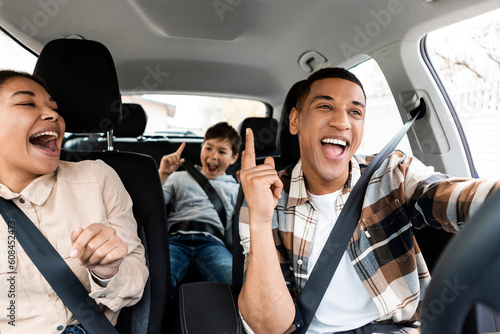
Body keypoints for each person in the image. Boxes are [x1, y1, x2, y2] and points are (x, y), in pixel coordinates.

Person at [238, 67, 500, 334]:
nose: (342, 122)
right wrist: (260, 219)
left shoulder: (391, 174)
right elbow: (271, 327)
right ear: (295, 120)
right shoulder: (267, 197)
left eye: (355, 112)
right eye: (325, 106)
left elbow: (459, 196)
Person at [0, 70, 148, 333]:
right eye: (27, 103)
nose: (53, 115)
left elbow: (136, 282)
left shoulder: (97, 177)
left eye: (54, 108)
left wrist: (108, 271)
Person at [159, 122, 241, 291]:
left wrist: (248, 186)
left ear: (234, 158)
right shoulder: (179, 177)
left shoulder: (235, 188)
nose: (213, 156)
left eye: (222, 151)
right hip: (176, 240)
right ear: (201, 148)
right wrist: (163, 175)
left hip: (212, 243)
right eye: (208, 148)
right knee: (157, 281)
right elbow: (154, 206)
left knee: (233, 283)